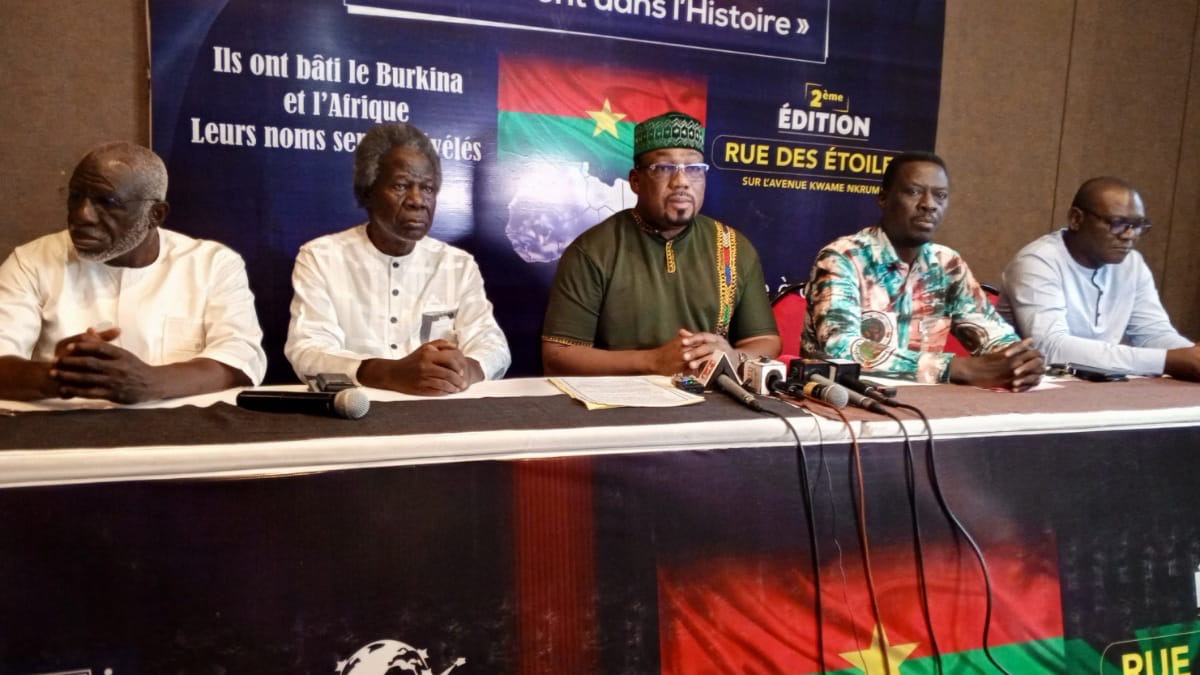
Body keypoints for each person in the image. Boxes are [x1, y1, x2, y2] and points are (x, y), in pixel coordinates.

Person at [0, 142, 267, 402]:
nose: (83, 215)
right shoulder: (32, 261)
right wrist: (63, 376)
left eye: (107, 202)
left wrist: (152, 382)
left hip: (179, 428)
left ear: (155, 214)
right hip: (60, 426)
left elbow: (240, 358)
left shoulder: (212, 264)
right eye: (75, 197)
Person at [541, 111, 780, 376]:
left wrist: (734, 356)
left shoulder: (733, 248)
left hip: (709, 398)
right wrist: (652, 362)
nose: (681, 182)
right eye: (664, 168)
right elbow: (558, 356)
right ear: (636, 181)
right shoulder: (593, 250)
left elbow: (765, 341)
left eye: (694, 169)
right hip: (617, 398)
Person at [285, 122, 510, 396]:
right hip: (356, 407)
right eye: (401, 186)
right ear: (368, 191)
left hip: (439, 405)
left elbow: (492, 344)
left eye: (428, 188)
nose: (418, 200)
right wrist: (390, 373)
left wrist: (467, 369)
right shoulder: (322, 257)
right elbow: (308, 351)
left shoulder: (457, 265)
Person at [802, 151, 1043, 390]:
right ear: (883, 198)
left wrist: (1019, 361)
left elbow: (994, 336)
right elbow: (840, 347)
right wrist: (953, 368)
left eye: (941, 195)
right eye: (914, 192)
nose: (929, 204)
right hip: (841, 400)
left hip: (927, 402)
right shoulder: (843, 258)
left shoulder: (947, 265)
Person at [999, 177, 1199, 379]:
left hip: (1097, 386)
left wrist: (1192, 355)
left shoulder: (1132, 263)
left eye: (1138, 225)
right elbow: (1051, 348)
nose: (1129, 235)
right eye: (1118, 223)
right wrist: (1165, 361)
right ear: (1076, 219)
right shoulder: (1037, 261)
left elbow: (1154, 334)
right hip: (1035, 387)